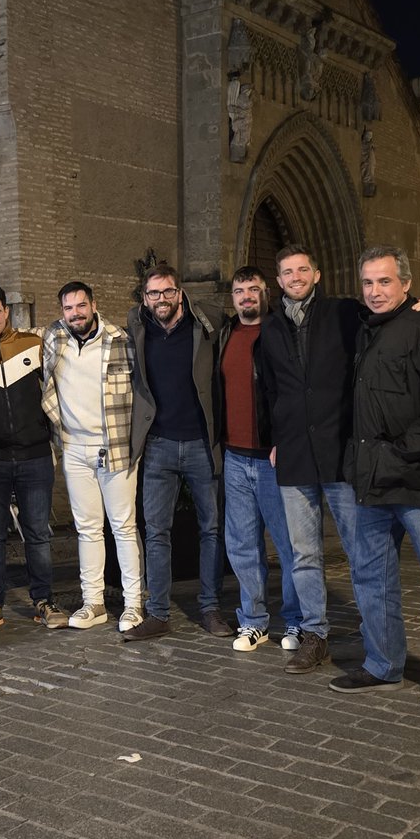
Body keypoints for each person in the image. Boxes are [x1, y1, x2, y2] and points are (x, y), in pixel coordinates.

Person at [329, 246, 420, 712]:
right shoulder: (363, 329)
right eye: (367, 283)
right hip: (373, 478)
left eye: (384, 282)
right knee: (370, 576)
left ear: (405, 283)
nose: (375, 291)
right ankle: (383, 665)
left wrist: (403, 453)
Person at [259, 245, 362, 674]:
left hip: (340, 451)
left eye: (303, 269)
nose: (296, 277)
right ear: (279, 281)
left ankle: (376, 634)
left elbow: (387, 321)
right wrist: (274, 439)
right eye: (287, 272)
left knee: (361, 550)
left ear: (316, 275)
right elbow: (270, 391)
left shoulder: (345, 313)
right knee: (303, 554)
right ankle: (315, 635)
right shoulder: (270, 329)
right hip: (295, 455)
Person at [123, 262, 231, 642]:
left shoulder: (210, 322)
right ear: (145, 297)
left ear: (180, 291)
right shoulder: (136, 326)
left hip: (203, 443)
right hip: (159, 445)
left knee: (212, 529)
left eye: (168, 291)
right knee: (156, 532)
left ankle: (211, 607)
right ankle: (158, 613)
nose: (162, 299)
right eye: (154, 293)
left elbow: (252, 320)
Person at [0, 284, 67, 630]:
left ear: (6, 312)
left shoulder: (33, 345)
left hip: (35, 456)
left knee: (37, 533)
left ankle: (44, 600)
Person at [41, 281, 143, 631]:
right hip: (73, 448)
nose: (75, 313)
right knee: (87, 529)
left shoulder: (121, 340)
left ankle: (133, 604)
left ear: (93, 304)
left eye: (81, 306)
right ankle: (93, 602)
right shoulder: (54, 338)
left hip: (114, 445)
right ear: (62, 312)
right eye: (68, 308)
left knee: (124, 528)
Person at [217, 267, 302, 652]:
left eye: (254, 289)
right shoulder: (224, 334)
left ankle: (297, 622)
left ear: (266, 292)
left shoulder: (280, 331)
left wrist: (284, 439)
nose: (247, 296)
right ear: (232, 297)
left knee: (288, 545)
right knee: (242, 545)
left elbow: (291, 390)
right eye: (239, 291)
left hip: (271, 457)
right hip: (234, 457)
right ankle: (253, 622)